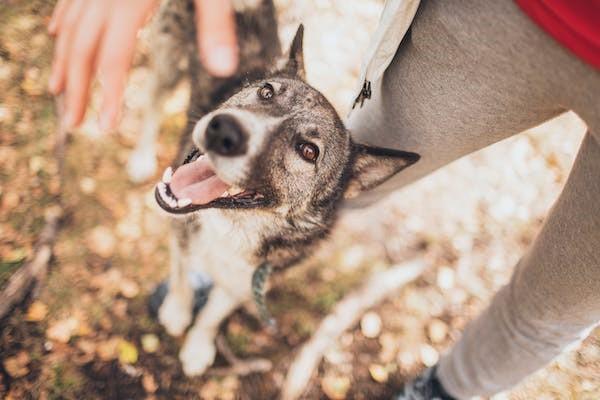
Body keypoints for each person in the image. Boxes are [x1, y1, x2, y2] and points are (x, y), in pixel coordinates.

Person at [49, 1, 599, 399]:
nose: (236, 126)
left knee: (552, 308)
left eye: (306, 149)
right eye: (266, 94)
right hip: (517, 14)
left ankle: (445, 391)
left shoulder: (325, 192)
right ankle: (191, 275)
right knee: (198, 194)